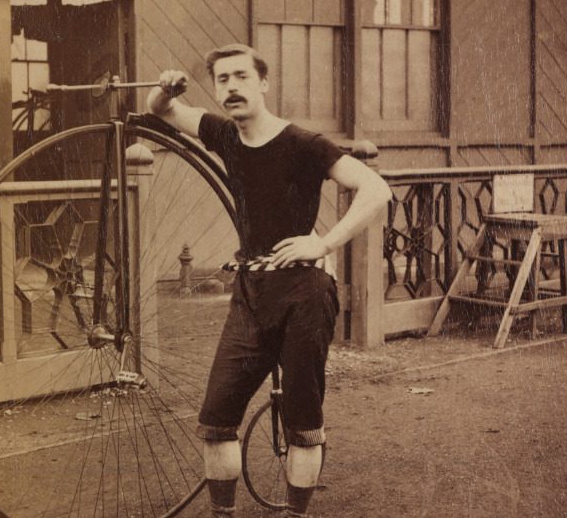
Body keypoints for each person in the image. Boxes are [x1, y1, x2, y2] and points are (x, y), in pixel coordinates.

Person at [146, 44, 392, 517]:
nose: (231, 87)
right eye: (221, 80)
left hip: (304, 294)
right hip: (251, 294)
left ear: (263, 83)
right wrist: (164, 90)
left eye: (241, 77)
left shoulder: (303, 143)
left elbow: (375, 189)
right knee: (216, 419)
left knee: (302, 421)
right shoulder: (223, 133)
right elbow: (163, 112)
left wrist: (322, 244)